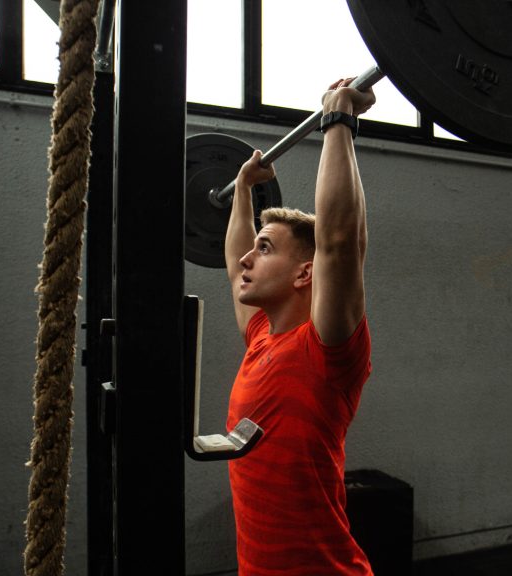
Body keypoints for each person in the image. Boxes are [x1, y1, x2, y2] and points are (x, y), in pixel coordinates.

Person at [223, 78, 377, 575]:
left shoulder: (326, 350)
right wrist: (243, 191)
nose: (248, 258)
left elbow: (340, 240)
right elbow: (233, 263)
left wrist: (339, 122)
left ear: (305, 272)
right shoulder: (260, 339)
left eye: (265, 249)